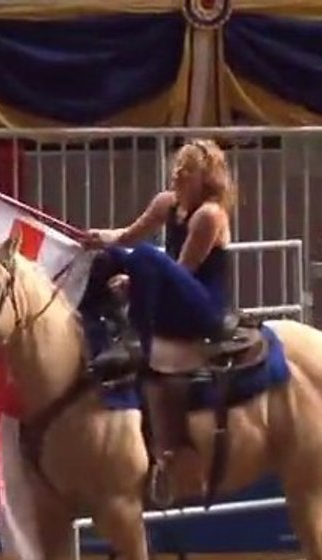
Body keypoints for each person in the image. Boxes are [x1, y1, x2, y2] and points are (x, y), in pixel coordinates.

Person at [84, 138, 235, 486]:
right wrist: (98, 239)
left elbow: (182, 271)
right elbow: (125, 235)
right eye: (177, 166)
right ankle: (93, 326)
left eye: (188, 170)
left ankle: (137, 340)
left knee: (148, 256)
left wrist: (134, 282)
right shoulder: (166, 203)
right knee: (109, 256)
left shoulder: (209, 215)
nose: (178, 174)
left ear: (206, 178)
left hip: (201, 305)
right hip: (172, 286)